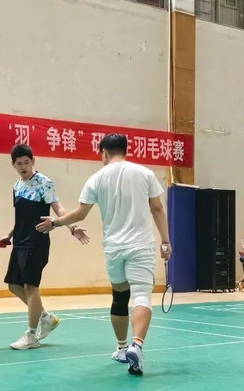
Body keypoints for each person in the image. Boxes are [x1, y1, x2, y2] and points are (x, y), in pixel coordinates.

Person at [36, 134, 170, 376]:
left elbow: (80, 213)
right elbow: (157, 208)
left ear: (105, 153)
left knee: (119, 297)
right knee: (141, 296)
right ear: (125, 150)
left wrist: (55, 223)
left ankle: (122, 348)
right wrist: (166, 240)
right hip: (141, 246)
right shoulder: (145, 173)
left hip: (114, 248)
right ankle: (137, 345)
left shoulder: (96, 178)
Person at [0, 144, 90, 350]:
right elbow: (21, 217)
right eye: (19, 163)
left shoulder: (44, 182)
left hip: (37, 240)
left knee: (31, 287)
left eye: (27, 162)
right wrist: (9, 235)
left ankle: (32, 335)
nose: (23, 167)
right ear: (13, 165)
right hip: (19, 241)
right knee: (13, 285)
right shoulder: (17, 186)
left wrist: (72, 227)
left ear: (33, 161)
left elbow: (57, 208)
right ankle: (46, 318)